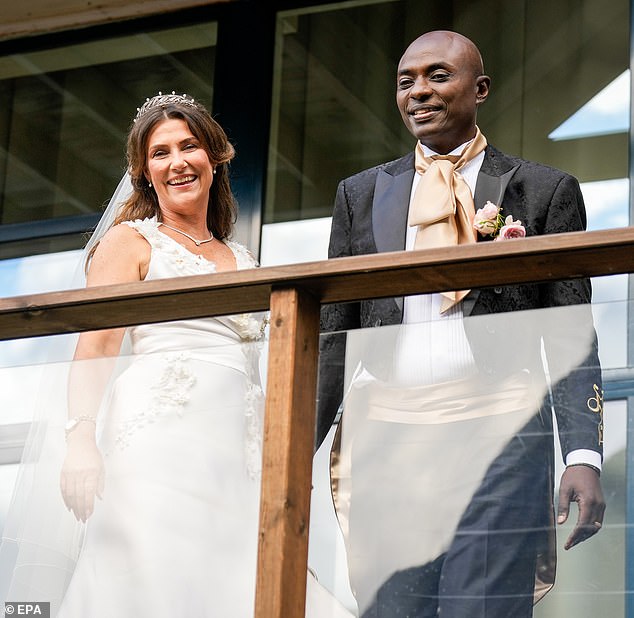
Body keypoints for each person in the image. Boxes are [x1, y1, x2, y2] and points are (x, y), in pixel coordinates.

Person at [0, 93, 352, 617]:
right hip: (157, 444)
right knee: (157, 579)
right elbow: (95, 346)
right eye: (160, 153)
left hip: (239, 456)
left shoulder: (243, 259)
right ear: (145, 173)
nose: (177, 162)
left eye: (188, 146)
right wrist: (80, 441)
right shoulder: (129, 243)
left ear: (213, 156)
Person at [318, 31, 605, 618]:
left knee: (482, 608)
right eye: (406, 81)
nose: (419, 91)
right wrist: (294, 451)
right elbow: (333, 340)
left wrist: (584, 453)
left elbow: (571, 331)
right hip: (387, 442)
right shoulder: (359, 194)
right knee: (392, 610)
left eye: (438, 76)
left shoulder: (544, 190)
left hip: (501, 433)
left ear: (480, 89)